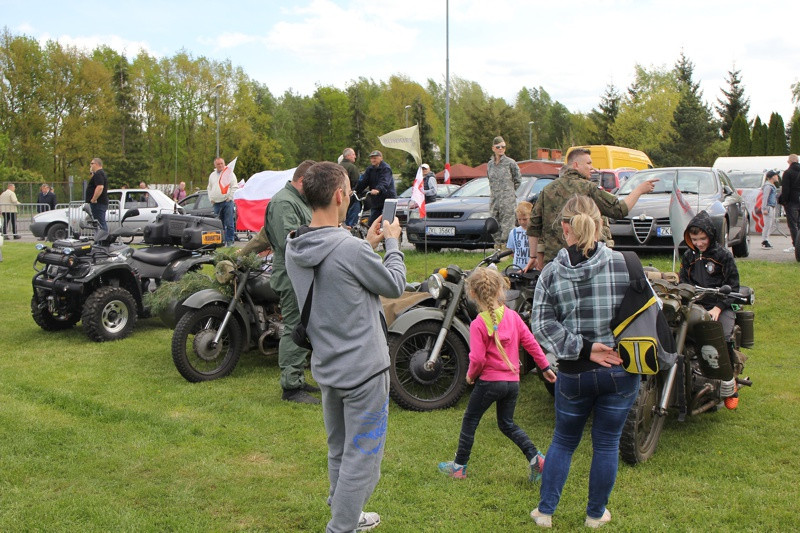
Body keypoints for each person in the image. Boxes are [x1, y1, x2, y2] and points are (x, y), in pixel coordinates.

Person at [285, 161, 405, 532]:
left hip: (328, 369)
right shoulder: (350, 250)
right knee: (362, 459)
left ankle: (346, 516)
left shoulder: (296, 245)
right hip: (365, 372)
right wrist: (393, 244)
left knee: (339, 450)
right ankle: (341, 527)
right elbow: (395, 285)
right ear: (340, 196)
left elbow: (334, 273)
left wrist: (366, 245)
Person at [530, 195, 640, 529]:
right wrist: (596, 346)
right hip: (619, 370)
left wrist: (582, 348)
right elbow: (650, 315)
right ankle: (595, 514)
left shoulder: (550, 273)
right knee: (606, 443)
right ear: (600, 223)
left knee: (563, 441)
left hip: (574, 374)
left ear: (565, 228)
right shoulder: (627, 264)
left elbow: (541, 325)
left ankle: (545, 512)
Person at [437, 266, 556, 481]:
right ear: (501, 289)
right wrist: (545, 367)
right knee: (506, 424)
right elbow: (531, 343)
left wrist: (471, 376)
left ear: (472, 293)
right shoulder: (513, 317)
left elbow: (478, 359)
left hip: (490, 383)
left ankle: (459, 467)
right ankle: (536, 459)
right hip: (512, 383)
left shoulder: (479, 324)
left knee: (470, 420)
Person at [525, 148, 657, 271]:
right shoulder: (589, 188)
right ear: (576, 165)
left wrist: (533, 256)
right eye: (588, 163)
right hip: (586, 260)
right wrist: (639, 190)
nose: (592, 167)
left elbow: (533, 226)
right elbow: (619, 210)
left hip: (555, 262)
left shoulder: (547, 190)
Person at [265, 160, 319, 404]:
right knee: (294, 327)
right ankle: (290, 387)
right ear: (302, 181)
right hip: (290, 274)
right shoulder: (284, 203)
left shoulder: (297, 200)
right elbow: (290, 242)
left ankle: (297, 378)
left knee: (304, 325)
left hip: (300, 272)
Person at [679, 211, 740, 339]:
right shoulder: (688, 256)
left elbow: (733, 286)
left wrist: (718, 307)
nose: (699, 243)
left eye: (703, 239)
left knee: (721, 335)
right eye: (694, 239)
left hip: (720, 305)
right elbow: (683, 283)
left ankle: (728, 356)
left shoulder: (724, 255)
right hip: (694, 304)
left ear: (711, 235)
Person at [487, 136, 521, 246]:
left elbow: (518, 180)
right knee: (493, 222)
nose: (501, 149)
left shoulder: (510, 163)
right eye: (498, 147)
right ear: (493, 148)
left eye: (503, 147)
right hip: (495, 199)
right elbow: (490, 180)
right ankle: (497, 246)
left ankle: (507, 247)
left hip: (507, 199)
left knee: (508, 225)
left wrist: (508, 192)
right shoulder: (490, 164)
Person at [356, 150, 396, 226]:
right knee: (372, 222)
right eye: (371, 158)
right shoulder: (370, 169)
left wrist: (378, 189)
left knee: (387, 222)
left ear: (381, 158)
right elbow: (364, 181)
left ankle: (390, 235)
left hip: (388, 198)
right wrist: (355, 190)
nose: (373, 160)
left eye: (375, 158)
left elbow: (385, 181)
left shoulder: (386, 168)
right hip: (376, 200)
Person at [207, 157, 238, 246]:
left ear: (224, 164)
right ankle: (219, 242)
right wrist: (211, 198)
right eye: (218, 164)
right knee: (217, 224)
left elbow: (234, 186)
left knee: (229, 223)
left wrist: (230, 197)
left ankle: (230, 242)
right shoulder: (212, 175)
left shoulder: (229, 174)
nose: (220, 165)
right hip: (216, 203)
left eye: (221, 163)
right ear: (215, 165)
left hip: (227, 202)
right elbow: (209, 187)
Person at [778, 154, 800, 252]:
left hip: (792, 201)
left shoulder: (788, 173)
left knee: (792, 224)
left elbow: (785, 189)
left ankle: (796, 245)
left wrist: (784, 201)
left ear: (789, 162)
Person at [507, 201, 533, 269]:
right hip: (517, 267)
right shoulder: (513, 232)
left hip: (532, 268)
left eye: (525, 219)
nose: (522, 222)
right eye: (519, 219)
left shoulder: (535, 232)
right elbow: (511, 251)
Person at [340, 148, 361, 227]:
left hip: (339, 197)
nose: (355, 156)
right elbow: (357, 183)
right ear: (348, 156)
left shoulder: (338, 166)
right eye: (353, 154)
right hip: (351, 197)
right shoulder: (352, 167)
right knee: (353, 218)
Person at [87, 158, 109, 232]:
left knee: (100, 223)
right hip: (99, 203)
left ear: (96, 164)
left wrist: (93, 199)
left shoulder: (99, 173)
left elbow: (100, 187)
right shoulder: (99, 174)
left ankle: (103, 240)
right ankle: (99, 240)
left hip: (98, 203)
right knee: (98, 223)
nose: (90, 165)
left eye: (91, 163)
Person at [761, 170, 780, 249]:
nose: (777, 177)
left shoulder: (772, 185)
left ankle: (766, 239)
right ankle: (765, 240)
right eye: (776, 175)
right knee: (767, 225)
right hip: (768, 207)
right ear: (772, 177)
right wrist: (764, 208)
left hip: (771, 206)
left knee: (770, 224)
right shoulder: (768, 186)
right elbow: (765, 198)